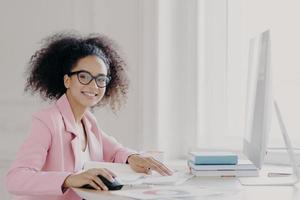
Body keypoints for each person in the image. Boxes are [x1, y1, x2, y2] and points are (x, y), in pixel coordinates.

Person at [5, 32, 173, 200]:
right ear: (67, 81)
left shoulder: (89, 122)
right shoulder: (47, 121)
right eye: (84, 76)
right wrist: (69, 179)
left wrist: (133, 157)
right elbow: (16, 179)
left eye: (101, 79)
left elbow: (116, 152)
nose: (93, 85)